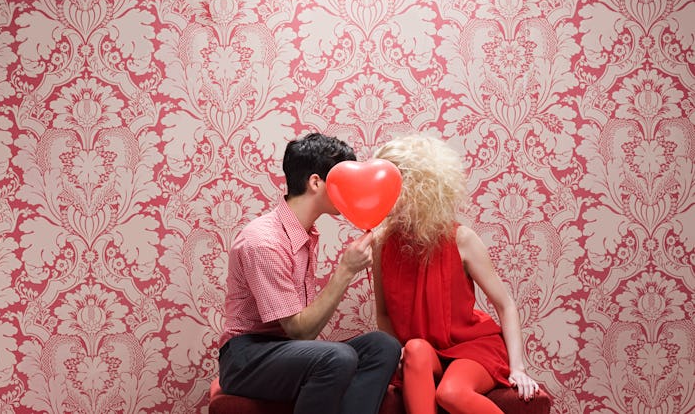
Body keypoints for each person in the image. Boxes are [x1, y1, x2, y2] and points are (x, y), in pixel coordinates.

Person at [218, 133, 402, 414]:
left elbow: (298, 339)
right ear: (316, 182)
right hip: (246, 358)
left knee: (383, 346)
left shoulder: (305, 234)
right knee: (337, 357)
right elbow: (300, 330)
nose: (352, 190)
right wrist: (347, 269)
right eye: (344, 181)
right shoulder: (263, 241)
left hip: (287, 350)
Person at [371, 134, 540, 414]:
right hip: (424, 355)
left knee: (450, 394)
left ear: (419, 187)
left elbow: (505, 304)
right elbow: (384, 314)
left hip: (473, 348)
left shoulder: (461, 239)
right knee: (414, 348)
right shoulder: (381, 245)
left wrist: (518, 367)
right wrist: (398, 354)